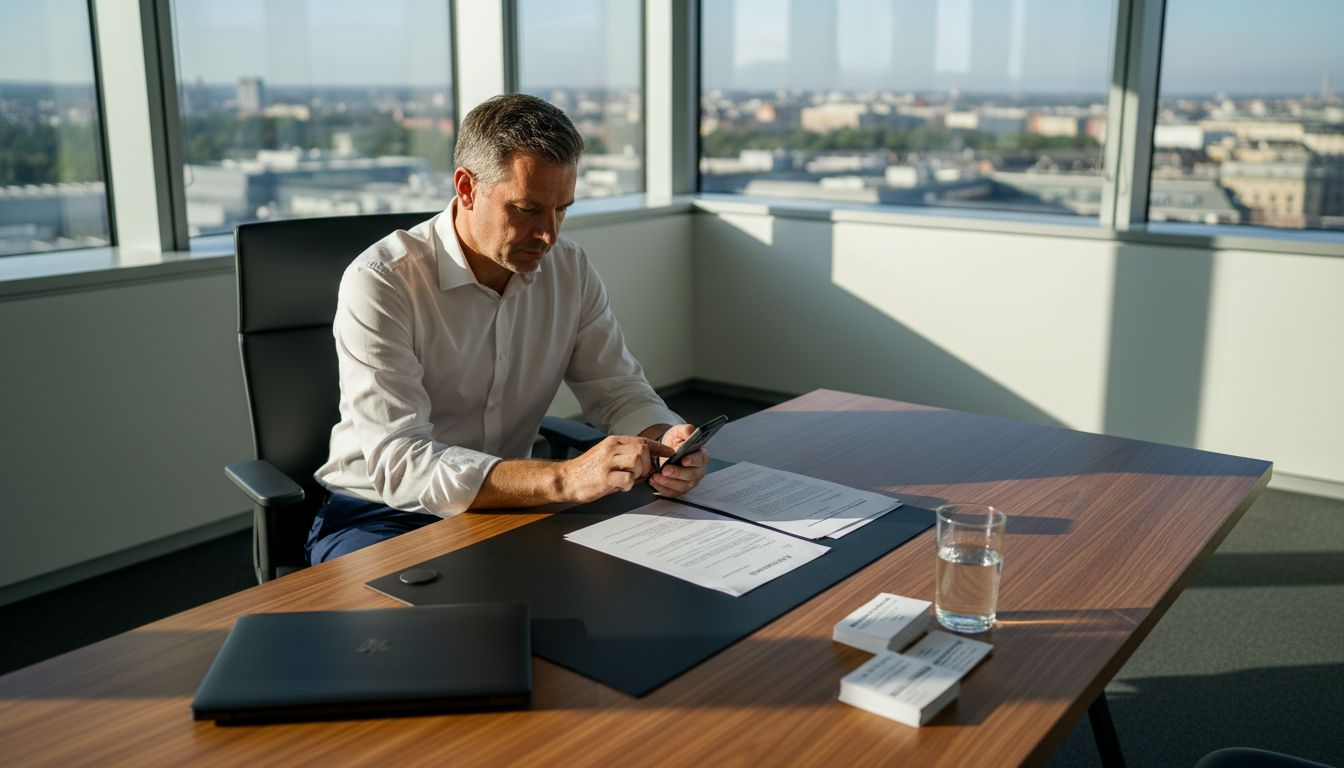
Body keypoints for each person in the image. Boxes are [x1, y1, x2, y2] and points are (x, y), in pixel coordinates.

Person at [308, 93, 708, 564]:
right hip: (381, 513)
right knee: (430, 627)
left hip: (512, 505)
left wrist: (664, 438)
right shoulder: (382, 282)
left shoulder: (570, 269)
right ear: (466, 187)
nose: (549, 235)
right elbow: (403, 465)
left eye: (562, 209)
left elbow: (617, 390)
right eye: (527, 209)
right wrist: (565, 479)